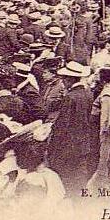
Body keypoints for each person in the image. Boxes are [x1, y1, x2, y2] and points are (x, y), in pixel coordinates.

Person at [46, 62, 97, 196]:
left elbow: (63, 125)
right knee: (79, 175)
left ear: (70, 79)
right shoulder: (88, 94)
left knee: (66, 176)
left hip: (68, 144)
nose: (63, 82)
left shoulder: (70, 97)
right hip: (83, 142)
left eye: (64, 79)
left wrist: (53, 145)